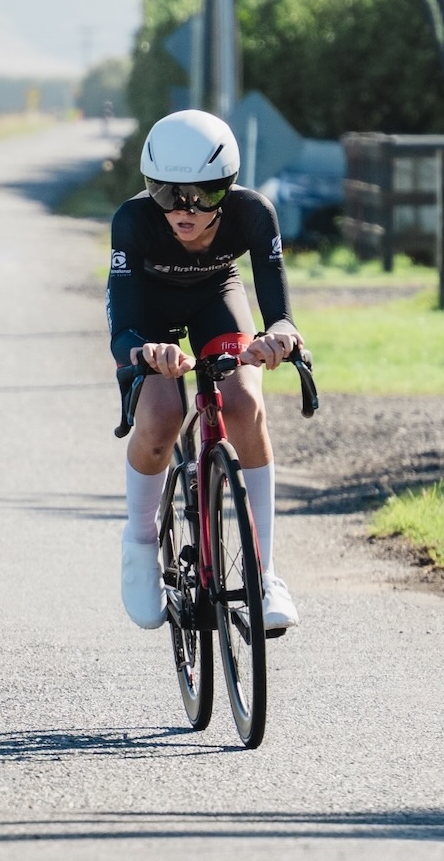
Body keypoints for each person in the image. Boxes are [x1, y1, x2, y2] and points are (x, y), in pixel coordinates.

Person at [108, 109, 303, 632]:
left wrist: (279, 334)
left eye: (205, 194)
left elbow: (276, 307)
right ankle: (141, 542)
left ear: (229, 188)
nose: (185, 209)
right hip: (150, 314)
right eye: (168, 194)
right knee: (160, 417)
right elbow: (123, 329)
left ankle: (263, 574)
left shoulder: (254, 214)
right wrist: (145, 354)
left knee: (244, 403)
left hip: (216, 296)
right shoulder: (132, 221)